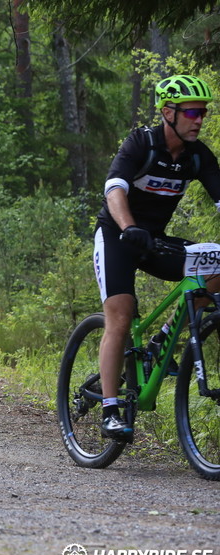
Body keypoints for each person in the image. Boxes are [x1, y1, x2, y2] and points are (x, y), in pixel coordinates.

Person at [95, 74, 220, 441]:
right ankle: (110, 411)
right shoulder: (142, 143)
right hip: (119, 236)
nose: (199, 119)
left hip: (156, 242)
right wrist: (129, 226)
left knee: (215, 268)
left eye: (203, 112)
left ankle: (162, 339)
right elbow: (114, 189)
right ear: (168, 112)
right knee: (120, 314)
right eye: (192, 112)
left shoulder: (198, 156)